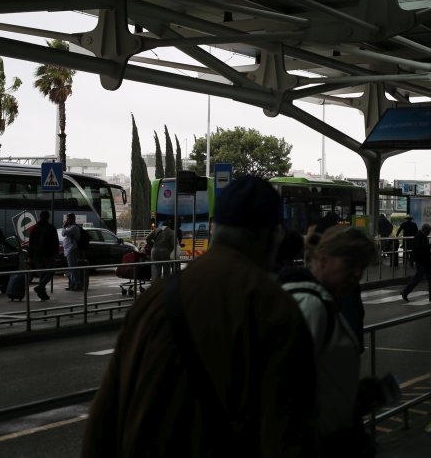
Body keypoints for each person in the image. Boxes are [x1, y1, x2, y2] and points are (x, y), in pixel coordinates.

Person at [83, 176, 318, 457]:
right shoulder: (275, 309)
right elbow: (286, 431)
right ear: (273, 237)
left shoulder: (154, 298)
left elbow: (104, 415)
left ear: (213, 229)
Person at [279, 225, 378, 456]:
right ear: (322, 259)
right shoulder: (310, 305)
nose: (357, 274)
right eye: (349, 264)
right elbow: (286, 383)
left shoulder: (325, 301)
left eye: (361, 267)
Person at [400, 224, 431, 303]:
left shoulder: (421, 235)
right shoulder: (419, 236)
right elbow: (417, 247)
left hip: (425, 261)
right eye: (429, 231)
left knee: (430, 278)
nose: (429, 233)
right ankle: (405, 292)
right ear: (426, 230)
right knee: (418, 278)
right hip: (421, 261)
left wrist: (428, 246)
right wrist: (429, 246)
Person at [28, 211, 60, 301]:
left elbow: (30, 243)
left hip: (37, 255)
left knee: (42, 273)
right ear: (48, 217)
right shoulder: (51, 228)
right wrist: (56, 253)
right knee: (50, 272)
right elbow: (55, 242)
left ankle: (43, 294)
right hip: (48, 254)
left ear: (40, 217)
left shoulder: (34, 228)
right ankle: (41, 286)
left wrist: (30, 256)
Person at [61, 213, 84, 291]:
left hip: (72, 250)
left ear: (72, 219)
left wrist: (64, 227)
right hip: (69, 250)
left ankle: (77, 283)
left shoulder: (74, 227)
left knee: (73, 268)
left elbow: (63, 233)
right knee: (71, 268)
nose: (66, 220)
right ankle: (72, 284)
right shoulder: (70, 227)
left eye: (68, 218)